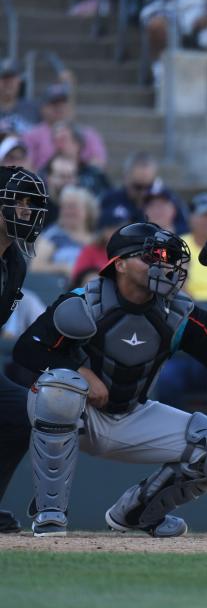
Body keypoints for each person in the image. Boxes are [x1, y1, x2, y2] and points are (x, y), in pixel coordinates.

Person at [12, 222, 207, 536]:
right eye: (152, 257)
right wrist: (80, 372)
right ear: (119, 264)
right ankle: (50, 514)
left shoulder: (177, 312)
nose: (163, 265)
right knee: (60, 389)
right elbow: (27, 351)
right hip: (78, 416)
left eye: (168, 258)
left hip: (132, 414)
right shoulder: (84, 300)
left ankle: (135, 514)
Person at [0, 166, 49, 534]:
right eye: (17, 201)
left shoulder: (15, 260)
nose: (25, 210)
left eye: (31, 203)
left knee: (26, 410)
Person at [23, 84, 107, 172]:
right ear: (43, 108)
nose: (59, 108)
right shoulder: (31, 136)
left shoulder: (88, 133)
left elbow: (98, 163)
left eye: (63, 103)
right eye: (54, 103)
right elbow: (25, 166)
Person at [99, 152, 189, 234]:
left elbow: (185, 229)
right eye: (138, 187)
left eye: (148, 187)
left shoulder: (167, 199)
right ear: (126, 177)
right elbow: (100, 230)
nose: (143, 192)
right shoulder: (111, 199)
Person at [31, 186, 97, 279]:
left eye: (72, 206)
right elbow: (35, 267)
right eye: (64, 207)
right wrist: (62, 268)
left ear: (87, 210)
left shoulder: (97, 239)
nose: (67, 211)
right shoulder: (53, 235)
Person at [0, 59, 41, 136]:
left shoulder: (33, 109)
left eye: (11, 79)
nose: (8, 83)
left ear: (19, 80)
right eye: (4, 78)